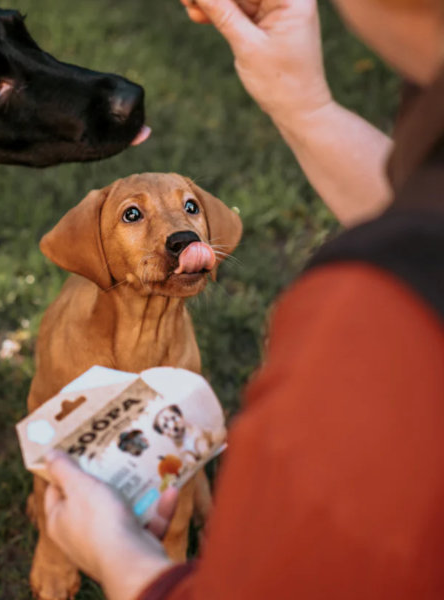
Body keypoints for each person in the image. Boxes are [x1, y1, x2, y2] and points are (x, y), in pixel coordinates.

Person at [42, 0, 444, 599]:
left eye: (190, 214)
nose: (180, 233)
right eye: (132, 218)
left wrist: (124, 559)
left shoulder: (379, 306)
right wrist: (306, 104)